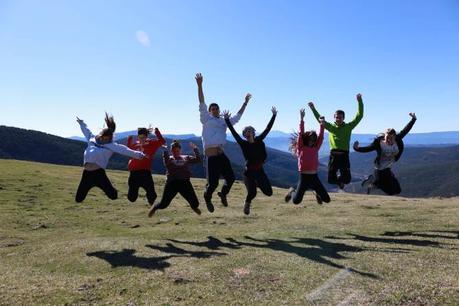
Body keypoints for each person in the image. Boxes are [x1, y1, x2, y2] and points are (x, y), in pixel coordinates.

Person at [195, 72, 250, 212]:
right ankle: (207, 197)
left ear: (219, 110)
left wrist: (245, 102)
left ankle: (223, 194)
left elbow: (237, 117)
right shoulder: (206, 119)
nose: (214, 110)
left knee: (231, 178)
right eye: (212, 109)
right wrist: (200, 85)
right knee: (212, 183)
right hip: (211, 157)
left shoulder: (223, 121)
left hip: (221, 154)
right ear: (209, 111)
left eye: (216, 108)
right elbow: (201, 102)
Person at [75, 113, 145, 203]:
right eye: (104, 138)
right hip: (86, 174)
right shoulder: (92, 139)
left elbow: (126, 150)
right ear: (101, 135)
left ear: (110, 138)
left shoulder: (112, 146)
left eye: (108, 138)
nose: (105, 140)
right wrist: (81, 123)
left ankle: (114, 191)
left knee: (113, 196)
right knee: (78, 199)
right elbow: (86, 131)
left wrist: (140, 155)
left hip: (99, 174)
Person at [224, 107, 277, 215]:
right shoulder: (243, 143)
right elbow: (234, 133)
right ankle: (247, 203)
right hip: (248, 173)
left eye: (250, 131)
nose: (248, 133)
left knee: (269, 193)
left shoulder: (259, 140)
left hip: (259, 171)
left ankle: (256, 184)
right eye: (246, 132)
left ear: (253, 133)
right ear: (244, 135)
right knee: (252, 193)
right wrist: (227, 120)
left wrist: (274, 115)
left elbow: (268, 128)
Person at [308, 94, 364, 190]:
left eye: (340, 117)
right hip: (333, 155)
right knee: (330, 179)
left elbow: (359, 116)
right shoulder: (331, 127)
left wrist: (359, 101)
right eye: (337, 117)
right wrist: (313, 108)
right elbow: (320, 119)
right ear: (334, 117)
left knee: (347, 179)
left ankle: (342, 181)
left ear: (343, 118)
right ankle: (339, 182)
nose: (338, 119)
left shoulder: (348, 127)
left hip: (344, 155)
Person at [353, 113, 417, 195]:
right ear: (384, 136)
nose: (389, 140)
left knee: (397, 190)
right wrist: (357, 148)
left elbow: (406, 130)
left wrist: (413, 119)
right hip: (379, 170)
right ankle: (373, 183)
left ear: (395, 137)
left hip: (388, 169)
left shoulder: (398, 140)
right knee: (389, 192)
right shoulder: (379, 143)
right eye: (387, 138)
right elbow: (368, 149)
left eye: (391, 138)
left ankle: (374, 183)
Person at [285, 109, 330, 205]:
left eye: (314, 139)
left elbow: (321, 136)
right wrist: (302, 119)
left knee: (327, 199)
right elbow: (300, 134)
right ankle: (292, 191)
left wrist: (322, 125)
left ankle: (317, 193)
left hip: (314, 177)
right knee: (296, 201)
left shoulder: (316, 148)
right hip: (304, 177)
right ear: (306, 139)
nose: (312, 141)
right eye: (311, 139)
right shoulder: (301, 147)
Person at [148, 140, 202, 217]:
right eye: (173, 151)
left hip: (185, 183)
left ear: (180, 150)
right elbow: (166, 162)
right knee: (164, 204)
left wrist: (195, 149)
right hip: (172, 184)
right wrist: (165, 151)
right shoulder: (169, 159)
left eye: (177, 150)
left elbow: (198, 160)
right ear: (171, 151)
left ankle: (193, 207)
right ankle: (154, 208)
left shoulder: (186, 157)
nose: (175, 152)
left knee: (196, 203)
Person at [126, 127, 166, 205]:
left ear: (147, 136)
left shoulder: (151, 144)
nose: (142, 139)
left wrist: (157, 132)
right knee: (131, 198)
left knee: (152, 197)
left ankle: (152, 205)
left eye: (143, 137)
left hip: (145, 173)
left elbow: (162, 141)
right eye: (140, 137)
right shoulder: (135, 144)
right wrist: (129, 141)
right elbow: (128, 151)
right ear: (138, 137)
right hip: (133, 174)